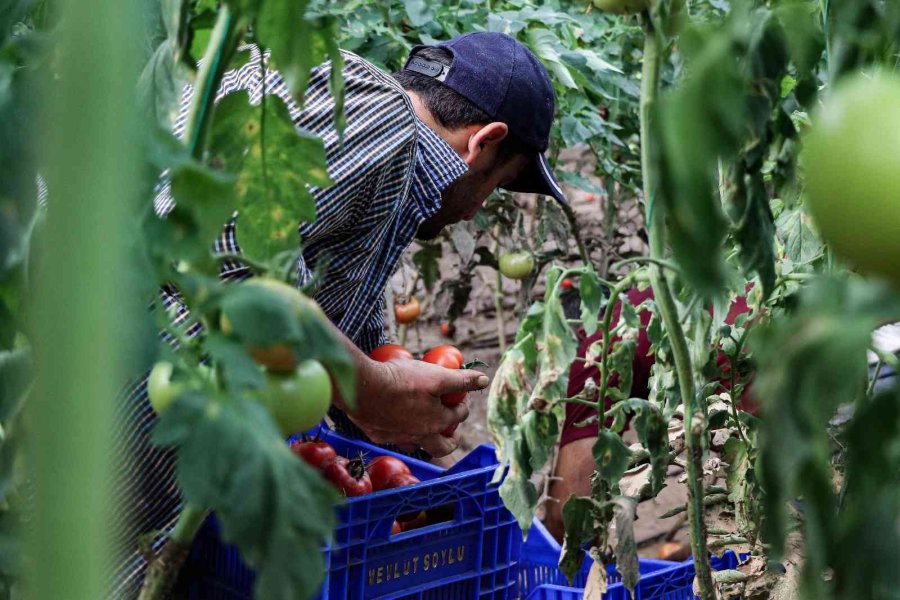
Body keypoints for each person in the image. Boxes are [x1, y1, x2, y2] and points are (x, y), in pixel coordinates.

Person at [113, 33, 569, 595]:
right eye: (494, 187)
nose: (475, 209)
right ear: (483, 142)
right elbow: (230, 255)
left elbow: (327, 312)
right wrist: (369, 384)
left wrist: (393, 421)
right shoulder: (385, 122)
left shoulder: (377, 154)